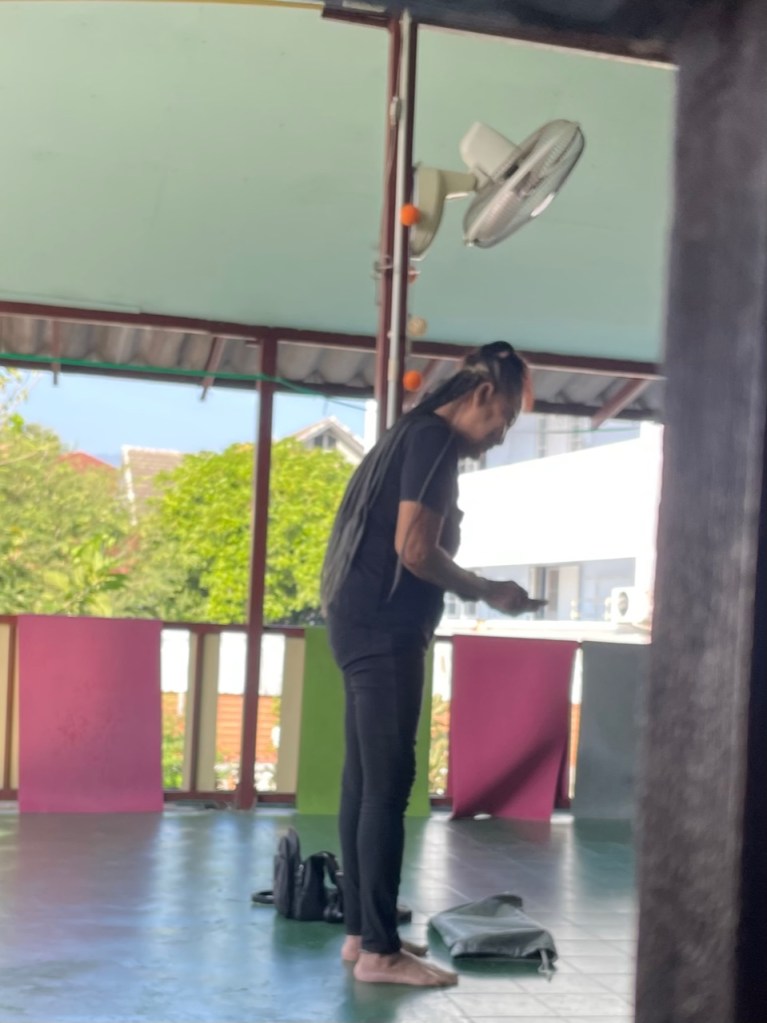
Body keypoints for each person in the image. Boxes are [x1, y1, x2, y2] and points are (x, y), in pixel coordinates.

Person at [321, 341, 544, 987]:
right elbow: (415, 551)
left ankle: (362, 933)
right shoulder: (433, 441)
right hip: (385, 628)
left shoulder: (407, 435)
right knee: (388, 784)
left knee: (364, 781)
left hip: (358, 619)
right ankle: (380, 954)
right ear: (481, 395)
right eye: (503, 419)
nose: (499, 436)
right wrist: (488, 590)